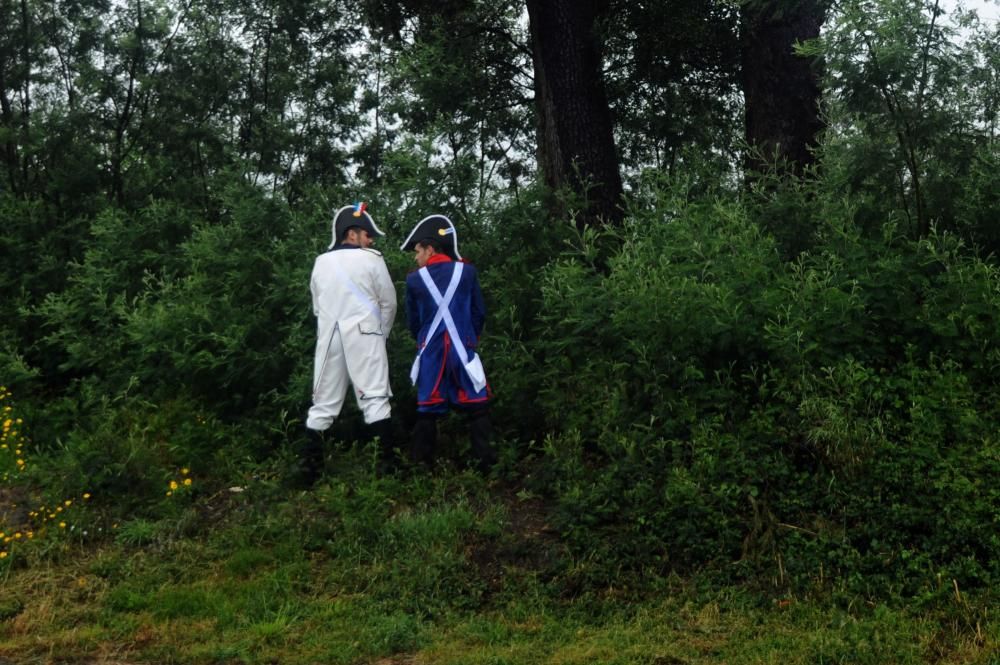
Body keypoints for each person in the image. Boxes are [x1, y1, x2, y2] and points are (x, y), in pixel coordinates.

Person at [301, 202, 398, 483]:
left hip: (329, 336)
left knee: (323, 404)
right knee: (375, 400)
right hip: (366, 336)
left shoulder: (321, 262)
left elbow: (318, 307)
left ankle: (310, 472)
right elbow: (389, 303)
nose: (370, 240)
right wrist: (380, 335)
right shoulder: (372, 259)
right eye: (367, 234)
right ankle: (385, 471)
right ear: (352, 234)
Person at [400, 214, 496, 472]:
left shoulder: (414, 280)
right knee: (477, 407)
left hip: (431, 355)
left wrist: (422, 342)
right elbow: (479, 313)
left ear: (430, 249)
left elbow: (413, 322)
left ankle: (422, 468)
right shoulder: (467, 272)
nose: (416, 257)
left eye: (418, 251)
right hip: (462, 350)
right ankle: (486, 466)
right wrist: (468, 340)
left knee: (427, 409)